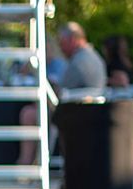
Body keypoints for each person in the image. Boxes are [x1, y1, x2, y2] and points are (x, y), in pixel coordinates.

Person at [18, 22, 107, 162]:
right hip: (86, 111)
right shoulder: (92, 57)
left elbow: (60, 94)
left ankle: (28, 162)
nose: (60, 47)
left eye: (62, 42)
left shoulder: (79, 61)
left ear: (72, 39)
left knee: (28, 114)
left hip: (74, 112)